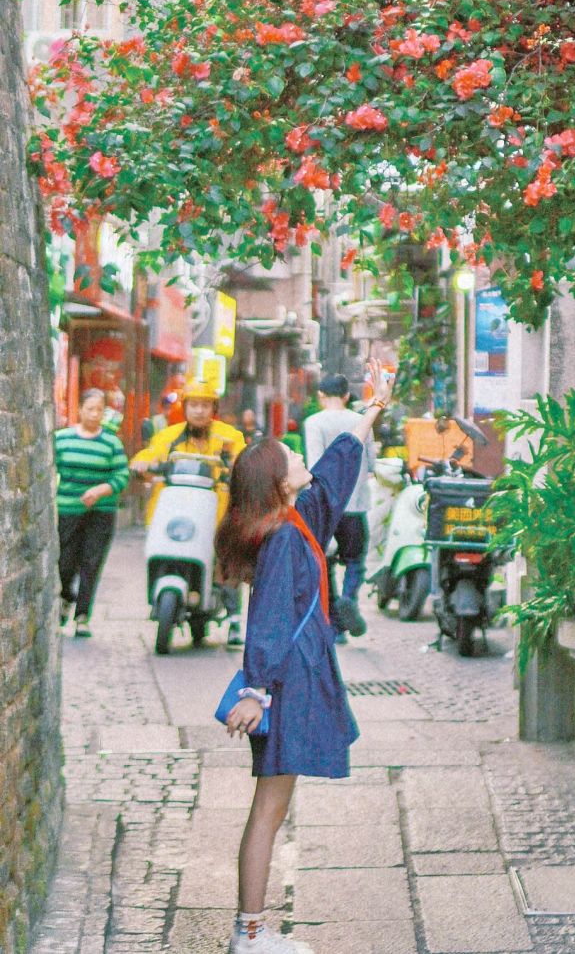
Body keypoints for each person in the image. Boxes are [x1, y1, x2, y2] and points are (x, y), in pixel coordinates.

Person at [216, 358, 394, 954]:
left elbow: (337, 467)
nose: (302, 461)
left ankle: (255, 929)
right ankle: (250, 933)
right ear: (277, 482)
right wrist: (255, 690)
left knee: (273, 806)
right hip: (284, 683)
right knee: (268, 809)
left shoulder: (297, 518)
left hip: (290, 678)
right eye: (292, 460)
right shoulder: (286, 538)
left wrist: (373, 408)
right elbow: (267, 621)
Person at [131, 373, 247, 649]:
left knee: (226, 560)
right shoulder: (168, 436)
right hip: (175, 508)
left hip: (216, 510)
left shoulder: (229, 437)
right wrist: (141, 464)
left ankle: (233, 619)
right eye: (193, 405)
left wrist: (236, 469)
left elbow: (243, 460)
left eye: (205, 405)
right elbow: (149, 455)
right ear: (184, 408)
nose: (199, 410)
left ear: (214, 410)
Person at [304, 372, 383, 643]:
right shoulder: (360, 420)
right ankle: (349, 599)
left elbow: (315, 463)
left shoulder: (313, 423)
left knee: (323, 561)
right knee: (354, 560)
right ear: (347, 396)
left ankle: (335, 622)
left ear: (321, 397)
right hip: (356, 501)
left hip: (327, 504)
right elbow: (371, 460)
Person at [55, 387, 130, 638]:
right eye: (90, 409)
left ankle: (82, 616)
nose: (95, 414)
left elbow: (122, 475)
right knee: (65, 562)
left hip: (101, 512)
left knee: (91, 561)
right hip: (68, 510)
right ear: (80, 410)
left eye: (99, 410)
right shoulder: (62, 439)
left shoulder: (111, 443)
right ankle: (65, 598)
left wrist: (101, 490)